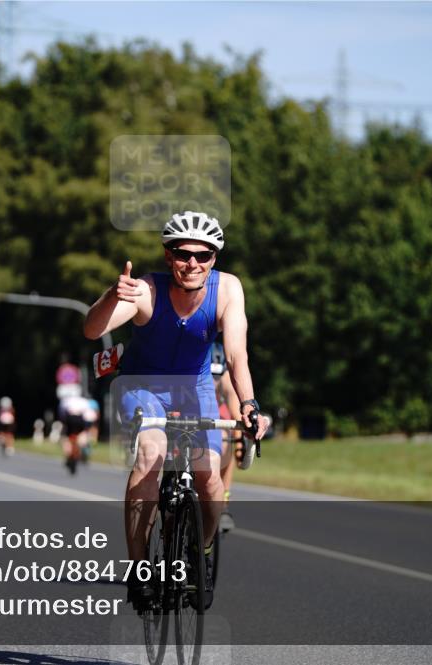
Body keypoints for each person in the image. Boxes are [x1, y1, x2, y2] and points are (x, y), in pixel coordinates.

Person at [83, 210, 268, 610]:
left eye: (203, 255)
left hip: (195, 389)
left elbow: (237, 355)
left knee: (211, 481)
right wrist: (112, 295)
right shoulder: (147, 291)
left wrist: (250, 405)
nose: (193, 263)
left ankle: (198, 554)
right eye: (183, 254)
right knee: (150, 455)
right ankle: (138, 572)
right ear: (169, 256)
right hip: (143, 387)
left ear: (214, 258)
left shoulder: (228, 290)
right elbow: (92, 330)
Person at [211, 341, 243, 533]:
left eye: (217, 377)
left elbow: (235, 411)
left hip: (215, 416)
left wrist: (240, 444)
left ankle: (223, 503)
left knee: (226, 440)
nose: (213, 382)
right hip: (184, 409)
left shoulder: (224, 378)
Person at [58, 393, 92, 474]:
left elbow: (61, 412)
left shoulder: (66, 400)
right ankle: (84, 451)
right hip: (81, 420)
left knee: (65, 437)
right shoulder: (85, 401)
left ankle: (68, 452)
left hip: (69, 420)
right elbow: (89, 415)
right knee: (84, 436)